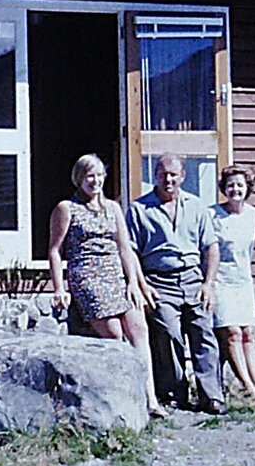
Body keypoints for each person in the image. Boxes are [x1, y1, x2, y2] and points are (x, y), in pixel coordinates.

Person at [46, 152, 166, 417]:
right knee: (114, 334)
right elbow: (55, 250)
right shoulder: (67, 209)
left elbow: (125, 248)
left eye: (100, 175)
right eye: (90, 176)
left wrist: (133, 282)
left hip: (115, 273)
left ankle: (150, 398)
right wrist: (59, 288)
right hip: (88, 275)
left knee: (138, 329)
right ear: (79, 179)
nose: (96, 181)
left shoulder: (112, 208)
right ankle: (126, 396)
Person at [125, 153, 226, 414]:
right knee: (169, 334)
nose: (167, 179)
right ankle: (174, 393)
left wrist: (209, 283)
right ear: (154, 175)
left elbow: (211, 248)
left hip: (193, 278)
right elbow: (131, 251)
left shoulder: (197, 206)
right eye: (162, 174)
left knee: (204, 334)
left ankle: (212, 397)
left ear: (183, 176)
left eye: (173, 174)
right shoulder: (139, 209)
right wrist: (141, 284)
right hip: (159, 280)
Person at [210, 163, 255, 403]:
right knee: (233, 333)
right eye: (231, 185)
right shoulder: (212, 215)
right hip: (221, 281)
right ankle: (250, 390)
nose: (235, 189)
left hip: (243, 280)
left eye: (240, 185)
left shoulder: (253, 215)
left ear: (247, 189)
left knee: (249, 334)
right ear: (224, 188)